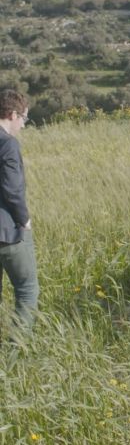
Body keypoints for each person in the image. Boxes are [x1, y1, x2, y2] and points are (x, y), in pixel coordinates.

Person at [0, 90, 38, 327]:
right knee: (27, 289)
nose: (23, 124)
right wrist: (24, 220)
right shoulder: (8, 145)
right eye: (24, 118)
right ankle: (17, 355)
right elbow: (12, 189)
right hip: (8, 232)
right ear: (12, 114)